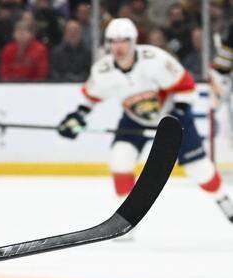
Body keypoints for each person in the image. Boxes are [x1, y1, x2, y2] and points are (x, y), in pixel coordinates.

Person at [59, 18, 233, 222]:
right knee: (120, 159)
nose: (119, 46)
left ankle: (223, 200)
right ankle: (124, 218)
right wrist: (76, 117)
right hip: (135, 120)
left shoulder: (156, 60)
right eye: (113, 41)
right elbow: (90, 99)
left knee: (199, 170)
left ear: (134, 41)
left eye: (124, 40)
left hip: (172, 119)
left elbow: (186, 86)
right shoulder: (103, 70)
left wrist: (180, 111)